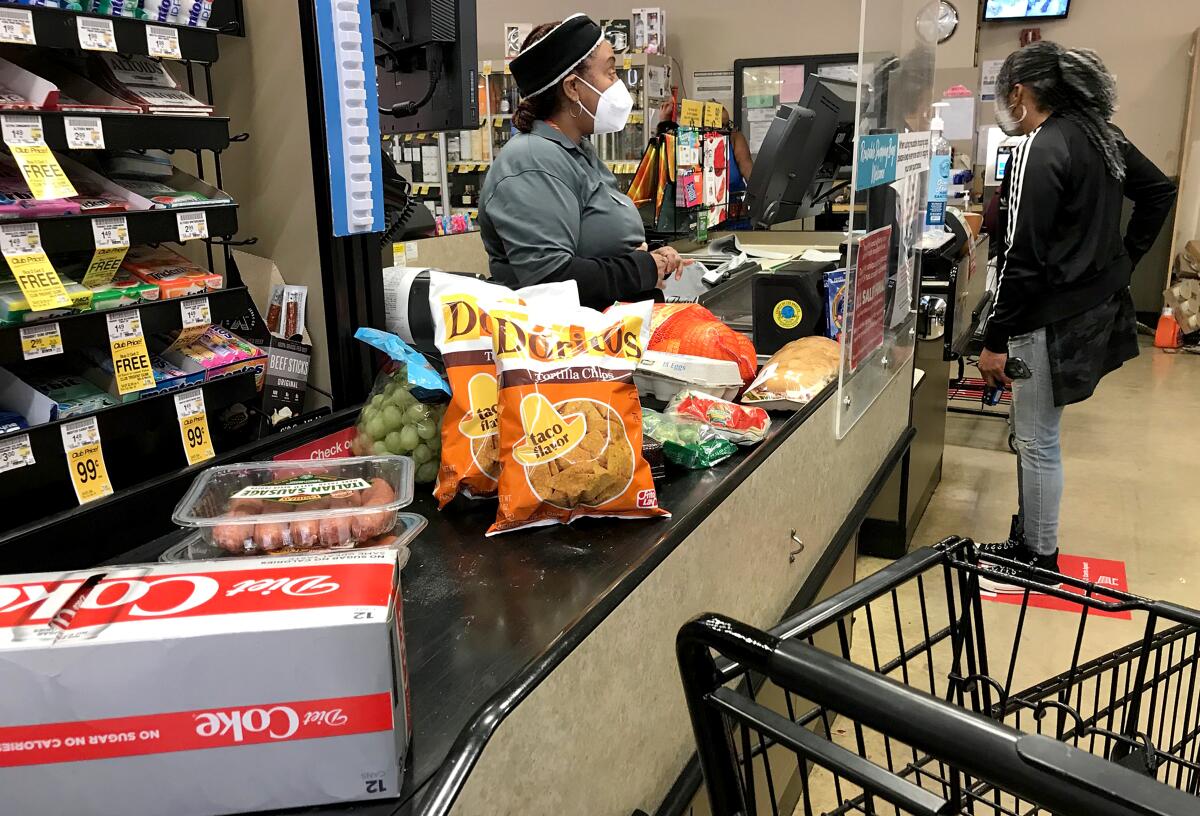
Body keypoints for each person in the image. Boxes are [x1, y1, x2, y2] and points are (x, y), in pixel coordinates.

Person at [975, 41, 1176, 593]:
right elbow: (1158, 190)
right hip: (1091, 306)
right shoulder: (1099, 134)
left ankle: (1038, 558)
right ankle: (1028, 538)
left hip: (1048, 317)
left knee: (1037, 438)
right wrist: (1123, 261)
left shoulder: (1039, 148)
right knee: (1037, 431)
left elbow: (1022, 256)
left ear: (1019, 92)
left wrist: (995, 338)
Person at [479, 14, 685, 309]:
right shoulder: (531, 160)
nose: (618, 85)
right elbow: (550, 279)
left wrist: (654, 254)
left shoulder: (577, 150)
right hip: (567, 343)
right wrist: (644, 267)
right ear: (573, 88)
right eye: (610, 72)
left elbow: (598, 236)